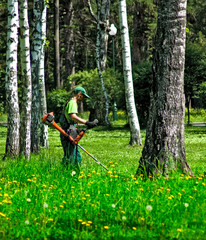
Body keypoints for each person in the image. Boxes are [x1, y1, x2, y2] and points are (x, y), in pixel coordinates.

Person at [59, 86, 98, 171]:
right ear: (79, 94)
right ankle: (68, 174)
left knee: (74, 156)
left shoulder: (70, 102)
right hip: (68, 133)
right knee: (71, 156)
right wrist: (87, 122)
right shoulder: (72, 103)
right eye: (83, 96)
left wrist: (78, 129)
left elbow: (69, 120)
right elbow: (73, 117)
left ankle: (71, 173)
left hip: (69, 131)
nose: (83, 98)